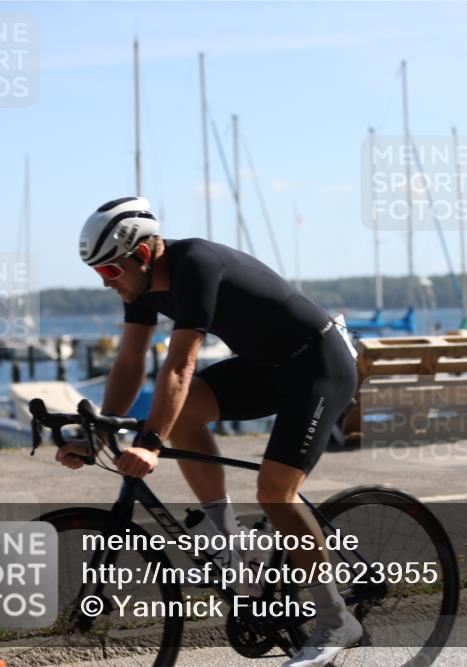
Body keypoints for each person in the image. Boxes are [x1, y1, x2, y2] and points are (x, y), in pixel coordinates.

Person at [58, 196, 361, 666]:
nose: (106, 283)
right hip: (265, 367)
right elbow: (130, 360)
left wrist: (151, 444)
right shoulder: (141, 290)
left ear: (141, 255)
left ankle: (337, 619)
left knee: (275, 491)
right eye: (99, 275)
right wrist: (98, 433)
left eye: (110, 272)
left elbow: (180, 365)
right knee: (183, 414)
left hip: (318, 365)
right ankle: (230, 545)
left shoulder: (193, 264)